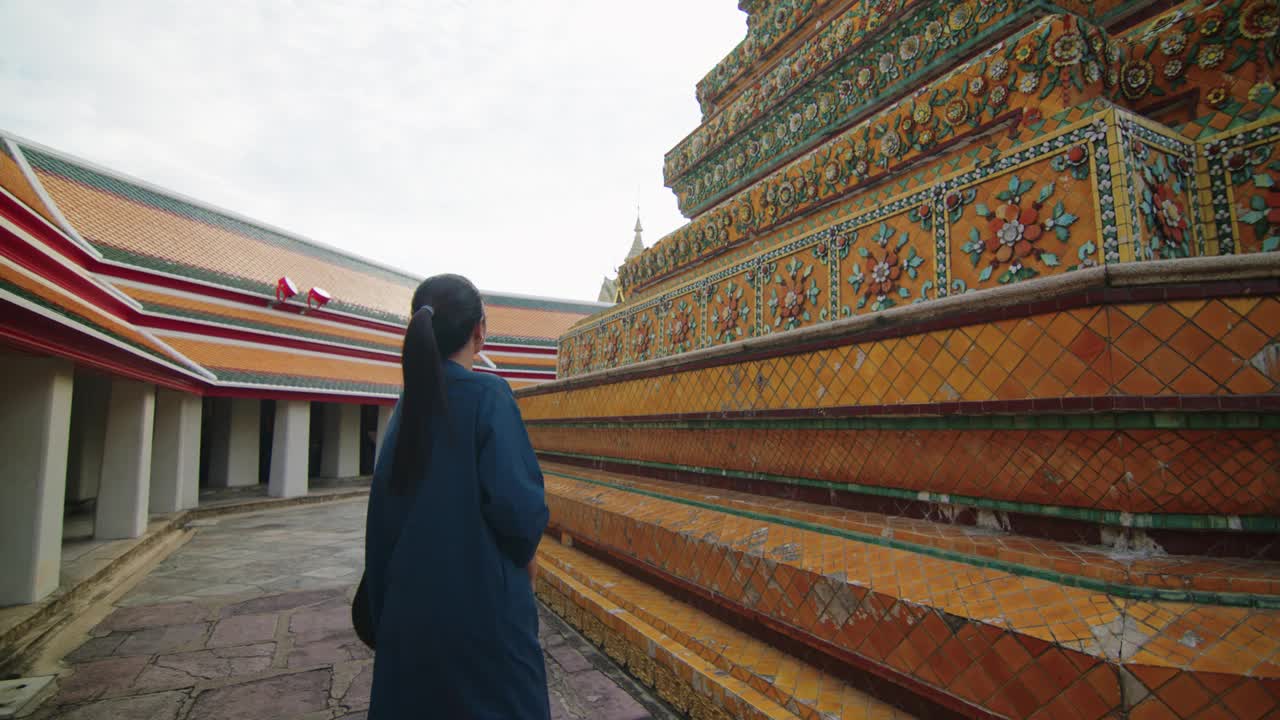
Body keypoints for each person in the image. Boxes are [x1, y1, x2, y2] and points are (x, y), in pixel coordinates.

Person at [363, 273, 551, 719]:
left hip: (409, 616)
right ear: (479, 331)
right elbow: (519, 512)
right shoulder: (487, 394)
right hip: (482, 614)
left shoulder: (407, 405)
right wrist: (528, 565)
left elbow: (382, 519)